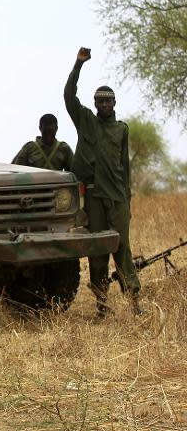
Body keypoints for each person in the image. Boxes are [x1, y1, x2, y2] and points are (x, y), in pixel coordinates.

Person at [64, 47, 143, 317]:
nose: (103, 106)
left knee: (122, 249)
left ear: (114, 104)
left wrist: (128, 201)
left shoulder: (121, 130)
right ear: (95, 105)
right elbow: (68, 96)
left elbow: (126, 168)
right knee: (97, 251)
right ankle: (101, 305)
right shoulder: (86, 121)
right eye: (99, 102)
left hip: (118, 199)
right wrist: (78, 65)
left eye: (108, 102)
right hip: (95, 198)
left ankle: (135, 302)